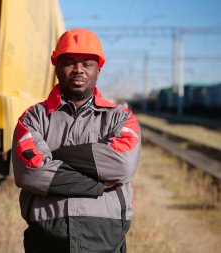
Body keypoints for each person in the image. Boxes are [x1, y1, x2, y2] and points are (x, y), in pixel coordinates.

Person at [11, 28, 141, 253]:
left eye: (87, 64)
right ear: (57, 68)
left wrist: (56, 156)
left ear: (98, 70)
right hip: (47, 238)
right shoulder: (33, 118)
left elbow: (122, 164)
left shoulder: (121, 117)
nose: (78, 70)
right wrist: (97, 185)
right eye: (70, 62)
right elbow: (30, 173)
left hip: (105, 240)